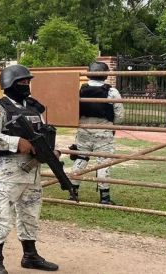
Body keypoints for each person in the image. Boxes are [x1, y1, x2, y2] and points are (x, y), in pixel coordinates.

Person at [0, 64, 59, 274]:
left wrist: (52, 151)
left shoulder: (34, 108)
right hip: (8, 173)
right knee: (1, 216)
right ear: (9, 84)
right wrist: (17, 142)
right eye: (22, 82)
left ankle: (30, 256)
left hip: (32, 172)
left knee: (30, 214)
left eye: (28, 81)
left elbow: (42, 134)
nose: (26, 85)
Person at [69, 61, 124, 204]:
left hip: (83, 129)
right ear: (105, 74)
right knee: (103, 162)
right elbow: (119, 114)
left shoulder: (80, 90)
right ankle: (104, 198)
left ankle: (72, 192)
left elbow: (73, 110)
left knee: (81, 158)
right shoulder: (112, 92)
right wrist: (112, 125)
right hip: (103, 129)